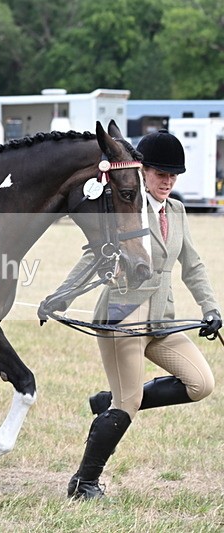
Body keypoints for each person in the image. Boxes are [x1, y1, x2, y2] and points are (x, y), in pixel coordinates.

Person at [40, 129, 221, 500]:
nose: (168, 182)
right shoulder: (126, 210)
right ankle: (83, 483)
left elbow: (193, 265)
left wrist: (211, 308)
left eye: (173, 176)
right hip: (124, 317)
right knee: (128, 404)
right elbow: (93, 256)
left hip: (162, 319)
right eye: (160, 175)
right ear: (143, 172)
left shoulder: (178, 210)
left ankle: (112, 399)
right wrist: (60, 297)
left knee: (201, 384)